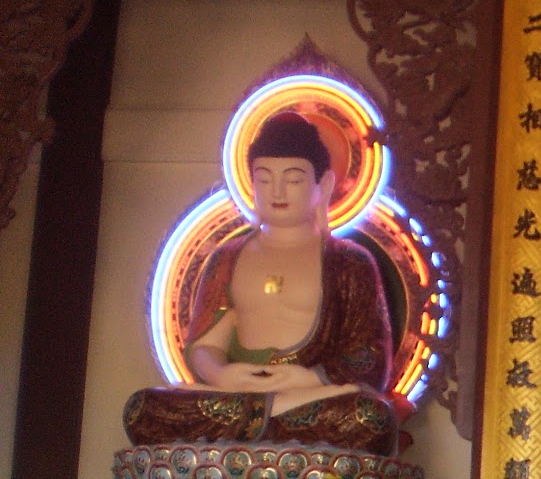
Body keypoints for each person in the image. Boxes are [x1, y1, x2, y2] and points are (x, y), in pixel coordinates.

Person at [123, 110, 399, 456]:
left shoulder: (350, 261)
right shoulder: (227, 257)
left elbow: (370, 356)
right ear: (250, 184)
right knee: (144, 410)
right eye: (264, 179)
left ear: (324, 184)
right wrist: (223, 376)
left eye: (293, 180)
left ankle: (258, 424)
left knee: (370, 419)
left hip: (309, 398)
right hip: (236, 397)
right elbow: (206, 346)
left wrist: (309, 378)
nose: (277, 191)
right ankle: (267, 417)